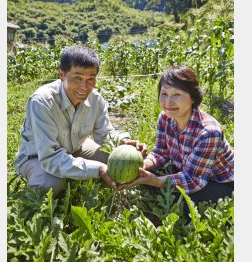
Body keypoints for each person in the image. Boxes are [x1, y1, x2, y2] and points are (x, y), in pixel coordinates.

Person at [14, 45, 147, 196]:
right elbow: (49, 157)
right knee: (51, 184)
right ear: (61, 75)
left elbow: (104, 134)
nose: (84, 87)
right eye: (77, 78)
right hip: (37, 158)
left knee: (116, 158)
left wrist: (123, 144)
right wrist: (98, 169)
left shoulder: (96, 99)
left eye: (91, 79)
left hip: (76, 147)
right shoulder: (42, 102)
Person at [118, 65, 234, 217]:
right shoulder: (165, 118)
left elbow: (194, 180)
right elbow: (161, 152)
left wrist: (156, 181)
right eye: (164, 94)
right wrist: (142, 166)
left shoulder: (209, 132)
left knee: (178, 202)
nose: (168, 102)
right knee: (151, 182)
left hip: (221, 182)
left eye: (177, 94)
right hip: (188, 172)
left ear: (193, 97)